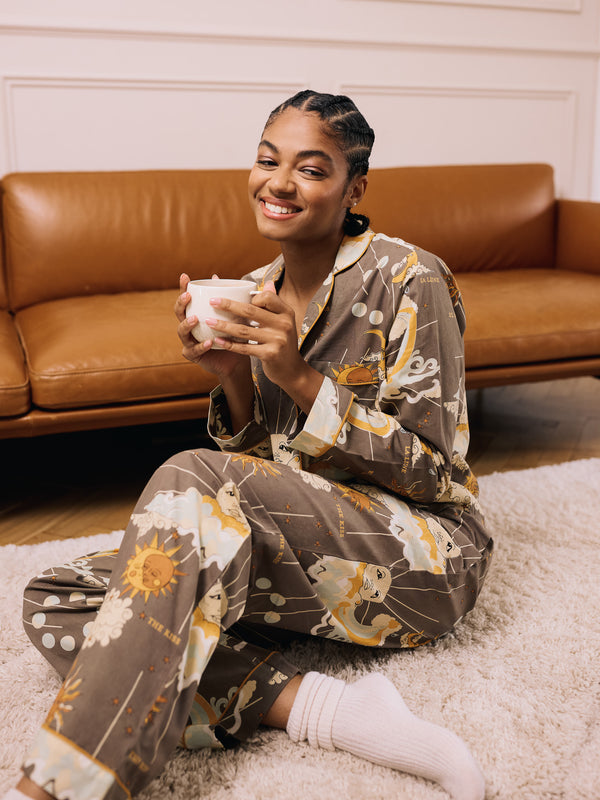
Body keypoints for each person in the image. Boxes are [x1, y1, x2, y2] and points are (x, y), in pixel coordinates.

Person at [5, 90, 492, 800]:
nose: (279, 182)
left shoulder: (409, 278)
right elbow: (266, 477)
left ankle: (59, 788)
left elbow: (436, 474)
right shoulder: (258, 290)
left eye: (311, 168)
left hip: (423, 559)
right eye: (267, 160)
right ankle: (324, 709)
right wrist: (234, 377)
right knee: (58, 599)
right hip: (309, 553)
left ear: (355, 187)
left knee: (192, 479)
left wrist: (296, 376)